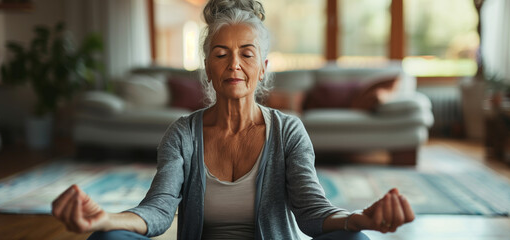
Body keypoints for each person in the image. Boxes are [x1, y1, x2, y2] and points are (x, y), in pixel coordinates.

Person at [51, 0, 415, 239]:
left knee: (356, 237)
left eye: (247, 54)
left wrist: (360, 219)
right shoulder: (182, 134)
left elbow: (311, 211)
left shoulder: (288, 131)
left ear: (263, 68)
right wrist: (105, 219)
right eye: (221, 54)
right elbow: (158, 210)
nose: (234, 64)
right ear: (208, 68)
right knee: (108, 237)